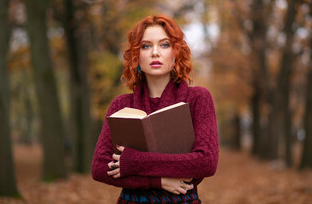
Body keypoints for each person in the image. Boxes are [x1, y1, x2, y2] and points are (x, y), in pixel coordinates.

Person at [91, 14, 219, 204]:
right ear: (137, 55)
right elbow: (100, 168)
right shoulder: (121, 105)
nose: (155, 52)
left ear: (176, 53)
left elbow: (206, 162)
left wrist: (133, 161)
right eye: (146, 46)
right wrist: (156, 181)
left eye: (164, 45)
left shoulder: (198, 98)